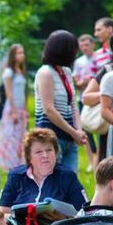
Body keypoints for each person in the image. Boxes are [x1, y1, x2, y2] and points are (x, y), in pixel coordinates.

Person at [0, 128, 88, 225]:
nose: (45, 155)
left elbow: (85, 213)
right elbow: (1, 212)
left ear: (56, 153)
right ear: (29, 157)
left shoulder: (67, 176)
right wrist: (16, 217)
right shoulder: (16, 176)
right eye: (39, 152)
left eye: (49, 150)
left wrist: (63, 217)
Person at [35, 31, 88, 172]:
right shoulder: (45, 73)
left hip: (69, 137)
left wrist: (79, 130)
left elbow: (72, 104)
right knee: (52, 183)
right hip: (50, 137)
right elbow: (49, 110)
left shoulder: (66, 71)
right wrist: (74, 132)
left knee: (71, 180)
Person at [0, 44, 28, 171]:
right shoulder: (9, 72)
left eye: (23, 53)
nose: (22, 55)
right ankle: (9, 163)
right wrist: (14, 111)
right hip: (12, 108)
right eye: (19, 53)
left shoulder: (21, 71)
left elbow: (23, 92)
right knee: (10, 136)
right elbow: (8, 92)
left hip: (21, 108)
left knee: (21, 135)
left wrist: (24, 109)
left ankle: (20, 161)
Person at [74, 34, 99, 171]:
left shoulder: (98, 59)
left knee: (100, 127)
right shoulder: (78, 62)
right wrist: (81, 82)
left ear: (93, 45)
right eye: (82, 45)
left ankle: (99, 157)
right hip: (82, 98)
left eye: (87, 45)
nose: (85, 47)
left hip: (98, 98)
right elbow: (76, 82)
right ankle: (91, 160)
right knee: (86, 130)